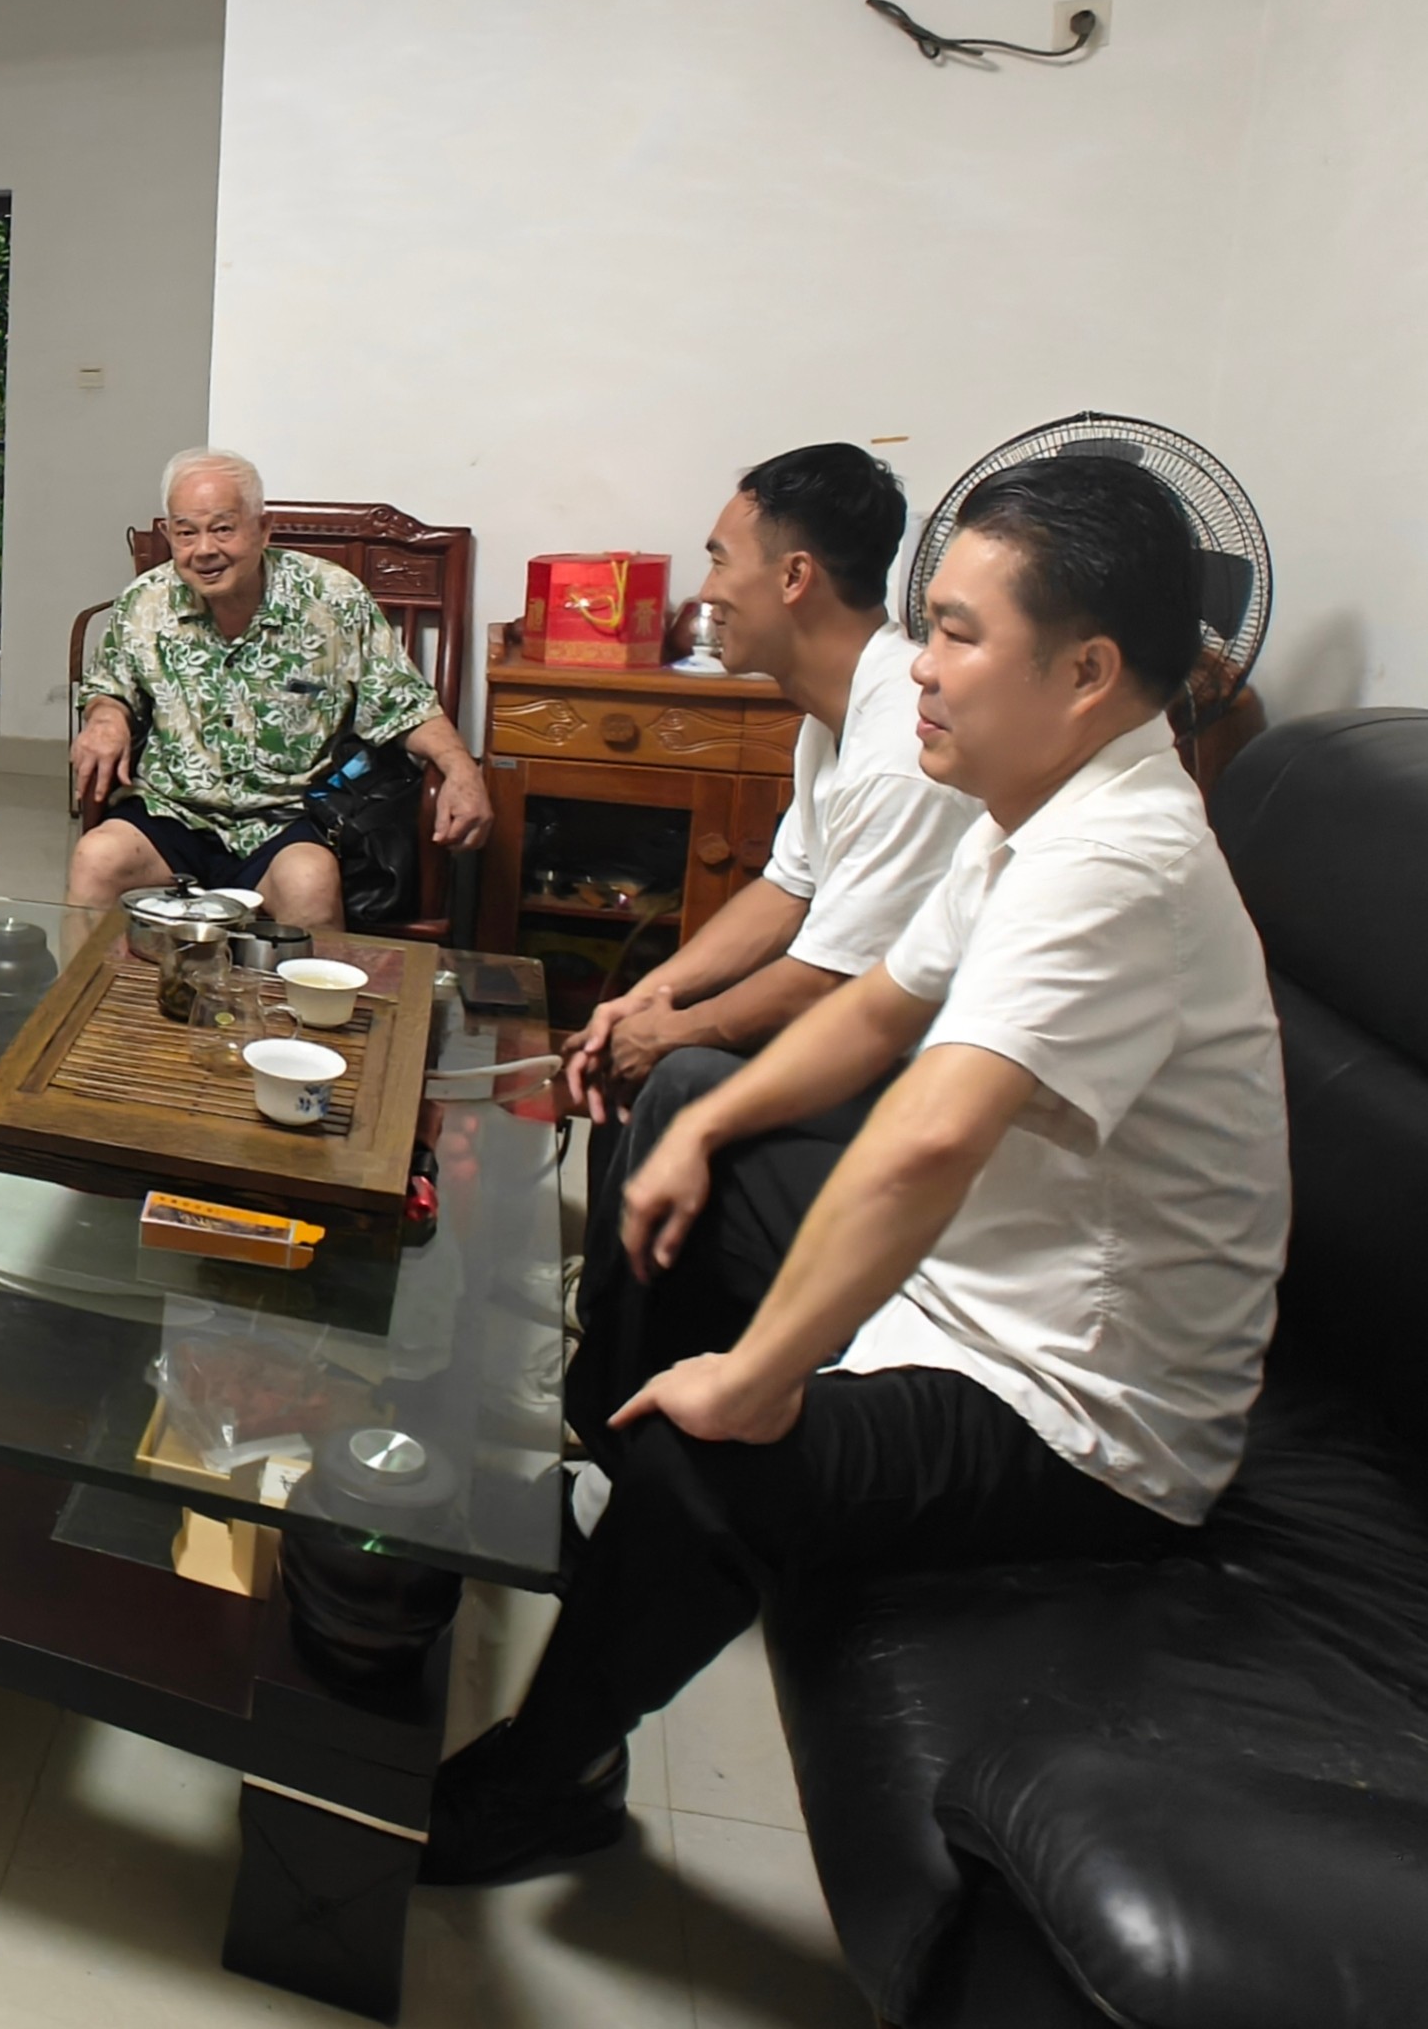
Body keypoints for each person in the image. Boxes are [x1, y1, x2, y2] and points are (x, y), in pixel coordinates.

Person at [424, 453, 1286, 1885]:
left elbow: (929, 1128)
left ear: (1083, 670)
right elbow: (880, 1005)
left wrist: (757, 1378)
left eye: (955, 633)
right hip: (980, 1292)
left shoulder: (1115, 860)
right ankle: (618, 1499)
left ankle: (546, 1779)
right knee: (700, 1163)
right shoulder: (1033, 815)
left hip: (1079, 1414)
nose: (920, 664)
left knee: (708, 1451)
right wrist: (700, 1127)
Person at [560, 445, 977, 1439]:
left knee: (678, 1074)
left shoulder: (899, 748)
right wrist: (647, 999)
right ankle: (609, 1334)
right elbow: (786, 890)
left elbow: (826, 984)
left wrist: (669, 1033)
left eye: (718, 560)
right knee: (636, 1041)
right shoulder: (831, 717)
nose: (706, 592)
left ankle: (605, 1413)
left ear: (793, 577)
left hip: (917, 1080)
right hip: (859, 1035)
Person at [68, 448, 490, 929]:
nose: (204, 550)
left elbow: (404, 704)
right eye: (186, 532)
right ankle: (86, 981)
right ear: (168, 535)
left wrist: (461, 768)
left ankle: (305, 983)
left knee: (310, 882)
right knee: (95, 859)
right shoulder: (144, 603)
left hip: (287, 820)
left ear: (263, 529)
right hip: (172, 811)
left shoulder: (332, 599)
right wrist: (106, 718)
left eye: (223, 529)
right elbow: (110, 687)